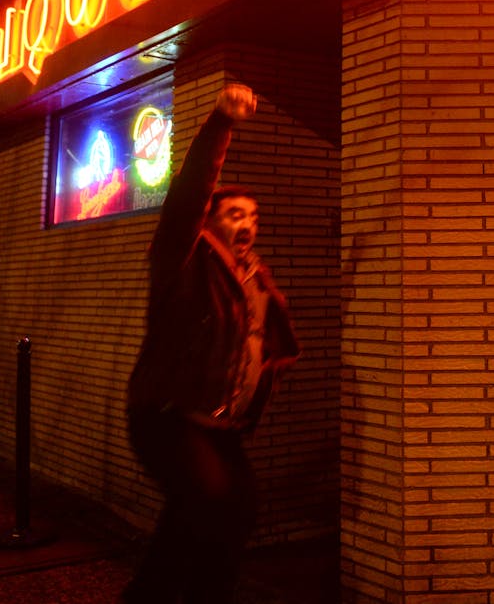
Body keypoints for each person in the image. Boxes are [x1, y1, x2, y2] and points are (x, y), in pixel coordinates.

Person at [123, 83, 302, 602]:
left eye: (252, 217)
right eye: (234, 215)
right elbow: (188, 196)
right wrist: (219, 124)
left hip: (219, 424)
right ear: (210, 222)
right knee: (206, 498)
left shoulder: (254, 279)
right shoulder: (183, 258)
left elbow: (262, 344)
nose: (246, 225)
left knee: (236, 508)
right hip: (167, 414)